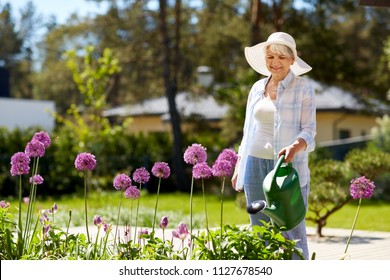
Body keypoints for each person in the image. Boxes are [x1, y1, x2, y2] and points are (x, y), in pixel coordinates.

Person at [231, 32, 316, 260]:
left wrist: (294, 147)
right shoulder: (257, 88)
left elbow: (309, 130)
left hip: (287, 169)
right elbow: (248, 130)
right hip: (255, 165)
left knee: (292, 232)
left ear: (292, 60)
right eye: (270, 56)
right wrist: (240, 164)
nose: (274, 62)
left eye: (281, 57)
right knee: (260, 232)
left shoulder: (303, 88)